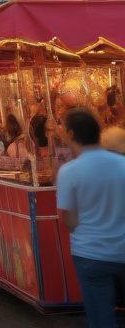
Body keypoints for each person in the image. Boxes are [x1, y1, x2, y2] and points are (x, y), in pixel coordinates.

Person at [57, 108, 125, 328]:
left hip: (90, 254)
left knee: (102, 319)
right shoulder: (122, 164)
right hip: (122, 250)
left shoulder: (69, 171)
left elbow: (68, 220)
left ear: (70, 133)